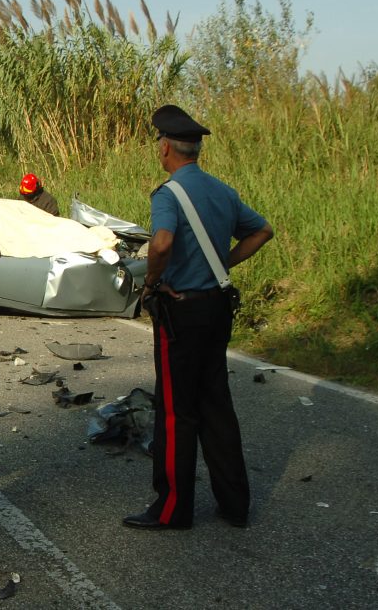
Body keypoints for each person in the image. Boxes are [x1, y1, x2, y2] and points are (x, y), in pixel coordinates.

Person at [124, 104, 273, 531]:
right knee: (216, 404)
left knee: (176, 410)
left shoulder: (168, 194)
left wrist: (152, 280)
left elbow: (163, 242)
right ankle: (234, 504)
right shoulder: (222, 191)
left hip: (181, 312)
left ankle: (172, 509)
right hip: (216, 305)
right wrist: (221, 264)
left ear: (166, 147)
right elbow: (262, 231)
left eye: (158, 142)